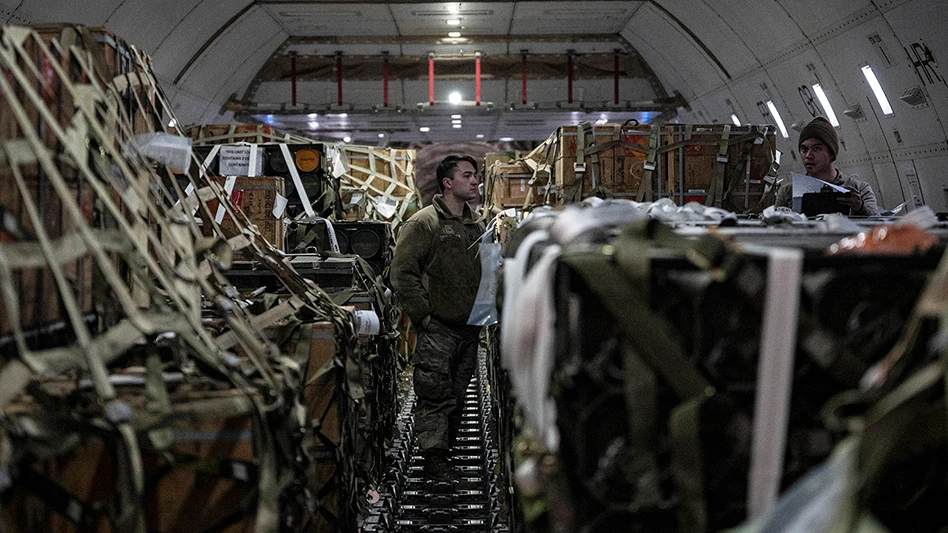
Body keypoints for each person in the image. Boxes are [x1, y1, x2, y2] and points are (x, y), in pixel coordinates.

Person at [390, 154, 485, 482]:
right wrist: (424, 317)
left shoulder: (476, 224)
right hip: (439, 328)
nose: (474, 181)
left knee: (457, 396)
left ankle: (443, 453)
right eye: (467, 175)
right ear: (448, 183)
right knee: (434, 395)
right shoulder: (423, 223)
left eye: (475, 176)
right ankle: (434, 459)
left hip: (468, 329)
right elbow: (402, 273)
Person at [775, 116, 881, 216]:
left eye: (816, 148)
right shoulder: (788, 192)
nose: (808, 155)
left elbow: (878, 225)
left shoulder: (859, 189)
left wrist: (860, 207)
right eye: (804, 149)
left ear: (831, 153)